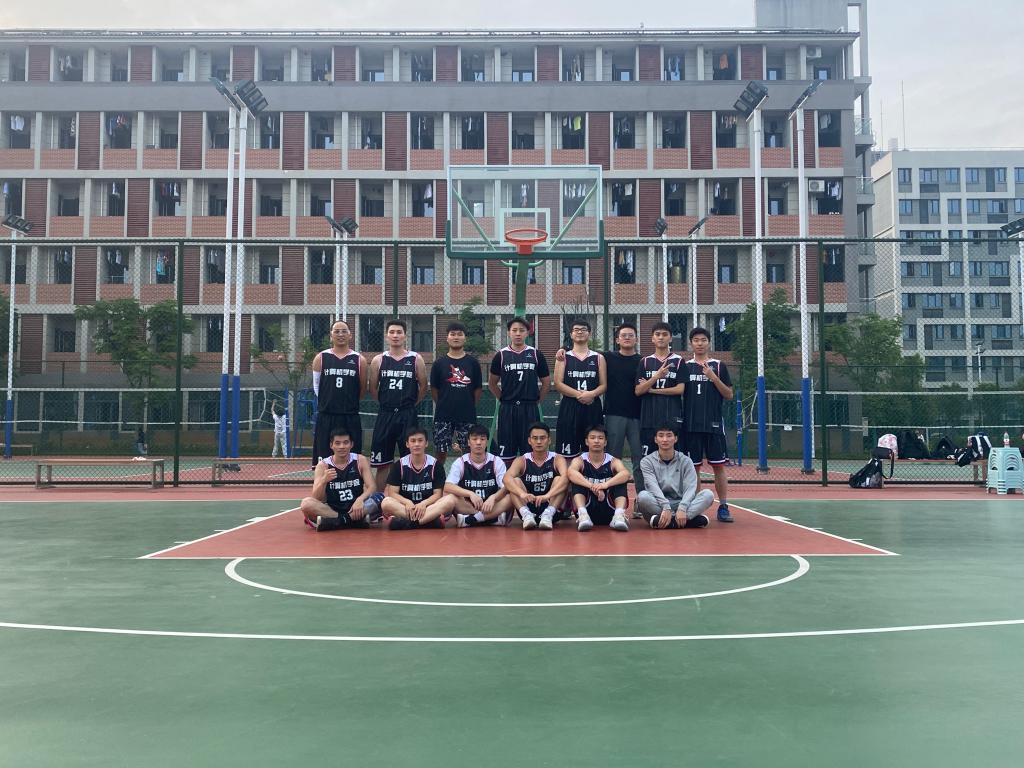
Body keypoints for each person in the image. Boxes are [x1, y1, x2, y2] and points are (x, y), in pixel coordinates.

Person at [682, 327, 735, 523]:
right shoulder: (685, 367)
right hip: (690, 426)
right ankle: (696, 507)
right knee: (693, 469)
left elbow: (729, 395)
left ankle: (723, 506)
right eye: (696, 340)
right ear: (691, 343)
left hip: (713, 425)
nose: (700, 343)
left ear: (709, 342)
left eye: (703, 340)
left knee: (718, 467)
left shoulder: (719, 366)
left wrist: (713, 378)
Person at [368, 319, 428, 491]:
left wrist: (411, 404)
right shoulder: (379, 360)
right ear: (386, 336)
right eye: (392, 332)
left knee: (410, 460)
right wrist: (386, 404)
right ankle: (379, 499)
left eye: (399, 332)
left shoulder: (415, 359)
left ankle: (409, 497)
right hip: (385, 414)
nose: (395, 335)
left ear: (405, 336)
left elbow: (423, 386)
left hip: (407, 414)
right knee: (382, 463)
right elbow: (373, 388)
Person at [488, 317, 550, 464]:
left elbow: (546, 382)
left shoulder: (536, 354)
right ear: (509, 332)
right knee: (506, 451)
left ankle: (530, 477)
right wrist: (504, 399)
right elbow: (492, 383)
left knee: (530, 450)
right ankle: (507, 478)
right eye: (514, 330)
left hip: (529, 408)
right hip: (508, 408)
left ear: (527, 333)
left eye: (521, 330)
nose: (518, 333)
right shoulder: (501, 355)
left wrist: (536, 400)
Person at [431, 424, 514, 527]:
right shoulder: (461, 462)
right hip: (468, 507)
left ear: (487, 442)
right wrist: (470, 494)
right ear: (468, 442)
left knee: (512, 494)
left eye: (482, 439)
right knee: (449, 495)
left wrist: (494, 498)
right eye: (474, 439)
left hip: (492, 505)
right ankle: (492, 518)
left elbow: (506, 486)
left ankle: (472, 519)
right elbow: (448, 486)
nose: (478, 442)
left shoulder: (496, 461)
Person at [300, 428, 380, 532]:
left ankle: (335, 522)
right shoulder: (323, 465)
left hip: (356, 507)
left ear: (351, 444)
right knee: (306, 503)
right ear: (331, 445)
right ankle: (350, 520)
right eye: (337, 443)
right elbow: (316, 498)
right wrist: (323, 481)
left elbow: (372, 487)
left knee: (380, 498)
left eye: (345, 443)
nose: (342, 446)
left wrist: (360, 500)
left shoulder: (360, 460)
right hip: (332, 509)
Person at [636, 424, 715, 529]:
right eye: (661, 435)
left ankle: (668, 522)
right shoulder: (647, 461)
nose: (665, 439)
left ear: (675, 439)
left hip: (681, 503)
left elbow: (690, 488)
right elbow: (652, 486)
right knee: (642, 497)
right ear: (655, 439)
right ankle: (686, 521)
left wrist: (682, 508)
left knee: (708, 495)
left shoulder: (686, 461)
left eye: (669, 435)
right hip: (659, 504)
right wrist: (666, 507)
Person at [310, 319, 365, 468]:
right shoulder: (321, 358)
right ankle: (323, 484)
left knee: (352, 461)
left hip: (350, 416)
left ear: (350, 335)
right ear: (331, 335)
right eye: (337, 331)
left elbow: (362, 389)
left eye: (344, 331)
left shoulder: (359, 359)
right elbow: (317, 387)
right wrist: (328, 402)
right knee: (323, 461)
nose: (340, 334)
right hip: (327, 415)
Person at [429, 321, 483, 466]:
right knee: (440, 452)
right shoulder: (439, 363)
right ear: (447, 338)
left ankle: (467, 479)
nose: (456, 337)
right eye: (452, 334)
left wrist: (469, 404)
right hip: (443, 415)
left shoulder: (473, 363)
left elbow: (478, 389)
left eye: (460, 334)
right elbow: (434, 389)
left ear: (465, 338)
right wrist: (442, 404)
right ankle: (438, 479)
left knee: (468, 453)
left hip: (467, 415)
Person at [552, 318, 606, 459]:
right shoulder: (563, 357)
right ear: (571, 334)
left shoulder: (598, 358)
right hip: (570, 406)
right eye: (576, 330)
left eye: (583, 330)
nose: (580, 332)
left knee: (593, 450)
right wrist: (579, 395)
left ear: (589, 334)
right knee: (567, 452)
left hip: (592, 406)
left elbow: (603, 385)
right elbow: (558, 383)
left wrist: (591, 394)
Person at [503, 421, 570, 530]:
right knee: (514, 481)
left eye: (542, 438)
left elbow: (566, 478)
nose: (539, 441)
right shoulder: (522, 460)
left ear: (549, 440)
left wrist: (547, 495)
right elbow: (506, 478)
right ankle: (526, 514)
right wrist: (522, 494)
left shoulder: (557, 458)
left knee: (560, 479)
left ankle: (548, 514)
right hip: (528, 505)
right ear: (529, 440)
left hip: (551, 505)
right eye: (535, 438)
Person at [602, 323, 645, 493]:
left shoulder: (643, 361)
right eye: (623, 335)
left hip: (637, 416)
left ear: (636, 339)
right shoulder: (607, 358)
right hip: (614, 414)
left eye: (630, 335)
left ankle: (642, 498)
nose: (627, 338)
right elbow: (582, 352)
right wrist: (563, 350)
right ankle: (614, 497)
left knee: (640, 460)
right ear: (617, 340)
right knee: (613, 459)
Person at [379, 426, 449, 530]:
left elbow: (438, 494)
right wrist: (407, 502)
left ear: (426, 443)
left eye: (420, 440)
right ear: (407, 444)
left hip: (428, 507)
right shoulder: (399, 465)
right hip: (406, 508)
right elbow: (392, 493)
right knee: (386, 502)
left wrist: (423, 503)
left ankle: (408, 523)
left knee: (450, 500)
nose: (416, 444)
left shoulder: (435, 464)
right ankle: (427, 522)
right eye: (413, 441)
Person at [635, 321, 685, 459]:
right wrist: (656, 376)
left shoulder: (678, 361)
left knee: (673, 459)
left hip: (671, 416)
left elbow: (680, 389)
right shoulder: (645, 361)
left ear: (670, 338)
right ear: (652, 338)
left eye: (664, 334)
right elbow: (638, 390)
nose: (661, 337)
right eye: (657, 334)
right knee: (648, 459)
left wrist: (652, 390)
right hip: (649, 418)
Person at [567, 425, 632, 532]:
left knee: (621, 479)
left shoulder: (613, 461)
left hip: (609, 509)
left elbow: (626, 474)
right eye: (592, 438)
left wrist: (604, 485)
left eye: (600, 438)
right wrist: (592, 486)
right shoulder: (580, 460)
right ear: (587, 441)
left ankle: (618, 515)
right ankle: (583, 515)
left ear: (605, 442)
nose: (596, 441)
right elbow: (571, 473)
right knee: (577, 480)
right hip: (588, 507)